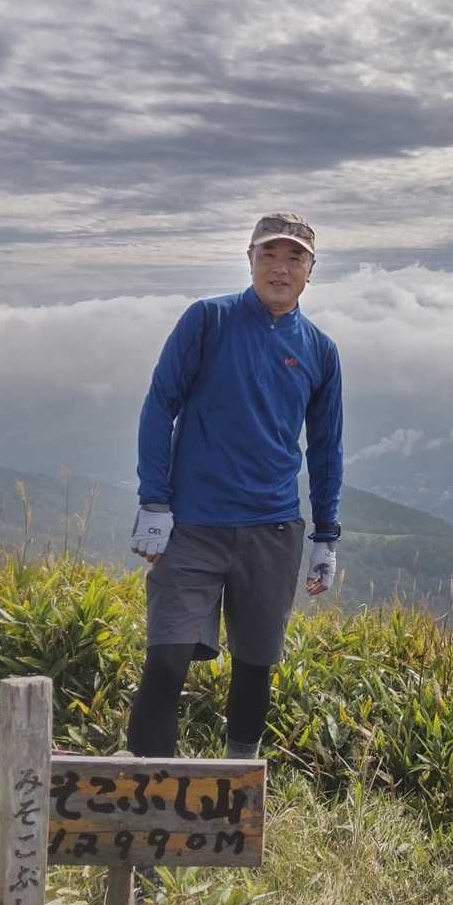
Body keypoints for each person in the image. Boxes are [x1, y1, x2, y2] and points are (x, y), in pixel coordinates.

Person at [125, 212, 343, 767]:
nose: (280, 267)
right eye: (268, 254)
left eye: (294, 257)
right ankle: (149, 794)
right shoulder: (208, 319)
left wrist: (326, 536)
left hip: (273, 529)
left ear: (311, 270)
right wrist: (154, 502)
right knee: (166, 661)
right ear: (249, 259)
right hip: (192, 525)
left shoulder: (319, 350)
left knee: (255, 667)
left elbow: (326, 447)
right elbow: (160, 406)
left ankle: (239, 789)